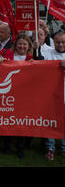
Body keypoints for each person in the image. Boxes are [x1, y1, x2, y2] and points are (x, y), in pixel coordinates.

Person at [39, 31, 65, 160]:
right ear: (53, 42)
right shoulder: (48, 53)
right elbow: (39, 65)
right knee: (51, 123)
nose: (60, 44)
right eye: (58, 42)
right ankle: (50, 148)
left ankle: (64, 148)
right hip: (52, 95)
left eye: (63, 42)